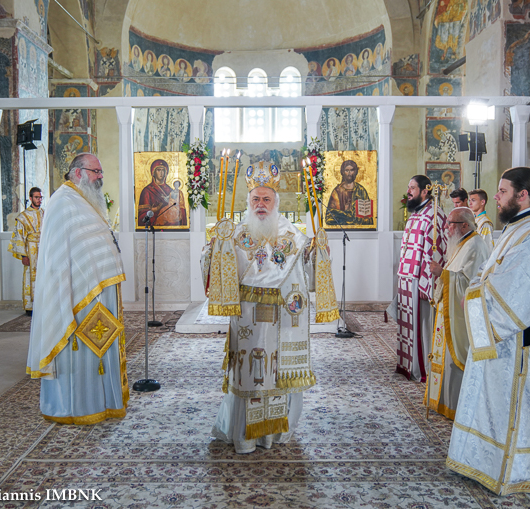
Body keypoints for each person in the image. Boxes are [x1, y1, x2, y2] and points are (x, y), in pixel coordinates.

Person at [447, 167, 530, 496]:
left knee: (506, 406)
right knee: (487, 402)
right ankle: (480, 461)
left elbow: (521, 293)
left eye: (502, 191)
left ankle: (510, 472)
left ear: (522, 195)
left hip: (513, 343)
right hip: (496, 340)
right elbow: (488, 273)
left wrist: (474, 300)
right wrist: (475, 292)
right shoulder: (517, 229)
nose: (496, 197)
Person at [203, 163, 324, 453]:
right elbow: (217, 272)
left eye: (266, 199)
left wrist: (317, 255)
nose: (260, 205)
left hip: (282, 319)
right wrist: (212, 251)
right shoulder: (236, 233)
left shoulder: (292, 235)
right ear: (248, 202)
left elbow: (306, 275)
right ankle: (245, 435)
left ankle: (275, 433)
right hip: (247, 318)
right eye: (255, 199)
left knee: (278, 374)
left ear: (276, 202)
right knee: (249, 373)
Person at [27, 153, 129, 424]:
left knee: (97, 349)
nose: (100, 177)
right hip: (76, 295)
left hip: (95, 291)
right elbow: (60, 255)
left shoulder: (83, 200)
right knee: (80, 351)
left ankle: (100, 400)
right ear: (78, 172)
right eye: (96, 171)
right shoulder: (63, 201)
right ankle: (76, 406)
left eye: (100, 172)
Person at [425, 207, 490, 419]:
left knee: (455, 361)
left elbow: (469, 283)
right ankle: (444, 402)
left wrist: (441, 274)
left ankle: (457, 407)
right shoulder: (462, 243)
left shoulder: (476, 245)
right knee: (444, 359)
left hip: (460, 316)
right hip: (449, 313)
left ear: (464, 225)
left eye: (450, 223)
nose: (446, 228)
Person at [393, 175, 447, 382]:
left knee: (421, 325)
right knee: (406, 324)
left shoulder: (434, 215)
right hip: (406, 276)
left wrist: (428, 283)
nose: (409, 191)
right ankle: (407, 365)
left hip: (419, 280)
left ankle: (421, 368)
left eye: (413, 188)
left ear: (425, 191)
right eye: (409, 187)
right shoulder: (417, 213)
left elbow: (435, 252)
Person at [8, 187, 44, 315]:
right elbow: (19, 236)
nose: (39, 200)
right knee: (30, 275)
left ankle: (44, 304)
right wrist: (23, 255)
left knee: (44, 275)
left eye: (40, 197)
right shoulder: (23, 217)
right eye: (36, 197)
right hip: (30, 248)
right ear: (30, 198)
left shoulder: (45, 214)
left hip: (44, 248)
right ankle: (30, 306)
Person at [137, 158, 188, 227]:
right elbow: (142, 216)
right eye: (158, 170)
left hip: (171, 226)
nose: (161, 173)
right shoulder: (147, 191)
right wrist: (154, 210)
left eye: (163, 170)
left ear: (166, 173)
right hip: (155, 224)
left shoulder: (170, 189)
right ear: (153, 172)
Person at [325, 159, 374, 226]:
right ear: (342, 172)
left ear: (355, 172)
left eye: (351, 170)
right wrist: (345, 216)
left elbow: (367, 216)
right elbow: (330, 215)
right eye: (347, 170)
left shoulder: (361, 190)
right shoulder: (337, 191)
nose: (349, 173)